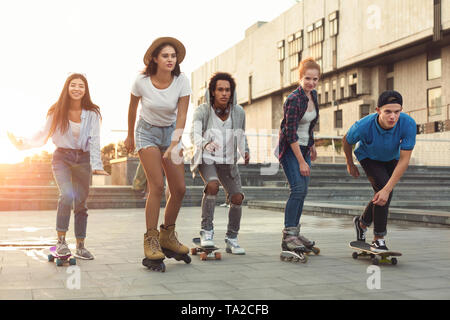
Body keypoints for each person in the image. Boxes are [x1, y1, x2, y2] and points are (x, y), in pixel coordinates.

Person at [8, 73, 108, 260]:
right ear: (67, 88)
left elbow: (95, 140)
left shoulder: (93, 113)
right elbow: (42, 133)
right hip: (62, 157)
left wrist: (96, 164)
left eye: (81, 86)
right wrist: (22, 143)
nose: (77, 89)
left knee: (81, 203)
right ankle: (61, 242)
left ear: (85, 90)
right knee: (66, 195)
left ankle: (81, 245)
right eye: (73, 85)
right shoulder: (56, 111)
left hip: (84, 159)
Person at [124, 37, 191, 270]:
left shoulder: (182, 80)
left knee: (180, 188)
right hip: (147, 133)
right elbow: (133, 109)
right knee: (157, 186)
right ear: (155, 58)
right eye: (165, 55)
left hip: (172, 134)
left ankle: (168, 235)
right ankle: (151, 239)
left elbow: (182, 115)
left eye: (173, 56)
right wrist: (130, 135)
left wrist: (174, 143)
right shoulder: (141, 81)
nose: (170, 59)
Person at [343, 90, 416, 252]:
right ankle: (378, 239)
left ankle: (361, 223)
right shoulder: (363, 125)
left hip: (391, 158)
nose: (393, 117)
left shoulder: (408, 124)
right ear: (378, 111)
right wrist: (350, 163)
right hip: (368, 157)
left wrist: (387, 190)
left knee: (385, 191)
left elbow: (404, 160)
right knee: (384, 190)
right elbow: (346, 141)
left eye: (397, 112)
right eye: (388, 112)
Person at [190, 72, 249, 254]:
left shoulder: (238, 112)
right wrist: (205, 144)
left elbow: (240, 134)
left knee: (237, 197)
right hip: (207, 159)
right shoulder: (203, 111)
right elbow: (194, 134)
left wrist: (245, 151)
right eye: (220, 89)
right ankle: (206, 231)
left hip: (228, 162)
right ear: (213, 92)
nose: (224, 93)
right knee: (213, 185)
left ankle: (232, 238)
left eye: (228, 90)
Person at [275, 58, 320, 261]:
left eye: (315, 79)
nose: (311, 83)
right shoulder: (294, 99)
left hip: (304, 148)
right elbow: (290, 132)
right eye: (307, 78)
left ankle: (295, 231)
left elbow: (309, 127)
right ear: (300, 78)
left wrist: (312, 146)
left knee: (304, 191)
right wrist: (301, 160)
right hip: (290, 149)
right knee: (298, 189)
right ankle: (289, 235)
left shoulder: (314, 96)